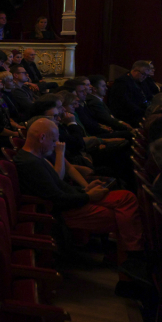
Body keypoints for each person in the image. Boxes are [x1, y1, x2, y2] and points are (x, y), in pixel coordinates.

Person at [17, 118, 147, 285]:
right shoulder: (30, 163)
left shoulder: (34, 157)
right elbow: (57, 199)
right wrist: (88, 196)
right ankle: (132, 266)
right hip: (68, 211)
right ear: (42, 137)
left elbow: (59, 187)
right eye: (54, 139)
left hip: (75, 201)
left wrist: (85, 190)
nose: (56, 144)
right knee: (124, 218)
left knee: (127, 201)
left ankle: (131, 264)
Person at [108, 60, 152, 125]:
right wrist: (144, 112)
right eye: (143, 74)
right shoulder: (122, 82)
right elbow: (125, 103)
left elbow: (149, 96)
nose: (145, 77)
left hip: (140, 112)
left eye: (147, 75)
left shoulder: (142, 82)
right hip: (128, 116)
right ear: (135, 70)